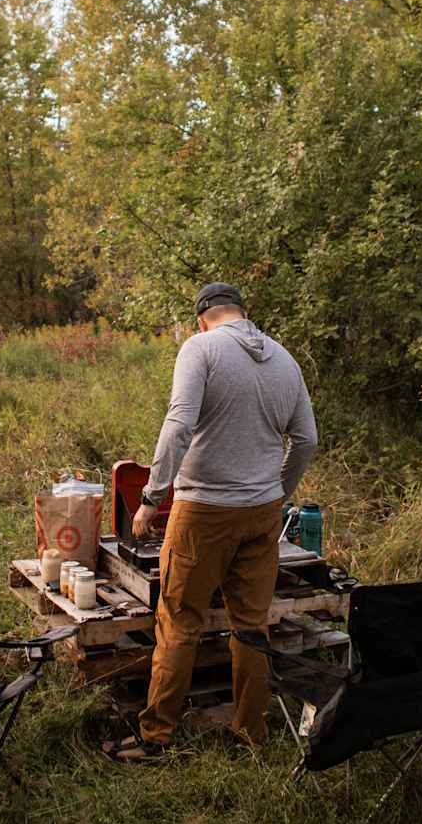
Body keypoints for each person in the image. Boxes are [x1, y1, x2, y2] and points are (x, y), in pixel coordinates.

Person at [104, 282, 317, 763]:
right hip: (262, 513)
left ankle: (156, 737)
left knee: (180, 622)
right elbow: (306, 440)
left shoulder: (200, 349)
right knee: (251, 626)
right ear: (243, 312)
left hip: (203, 512)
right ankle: (251, 734)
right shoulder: (285, 360)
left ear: (202, 318)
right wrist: (277, 492)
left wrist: (151, 499)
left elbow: (178, 425)